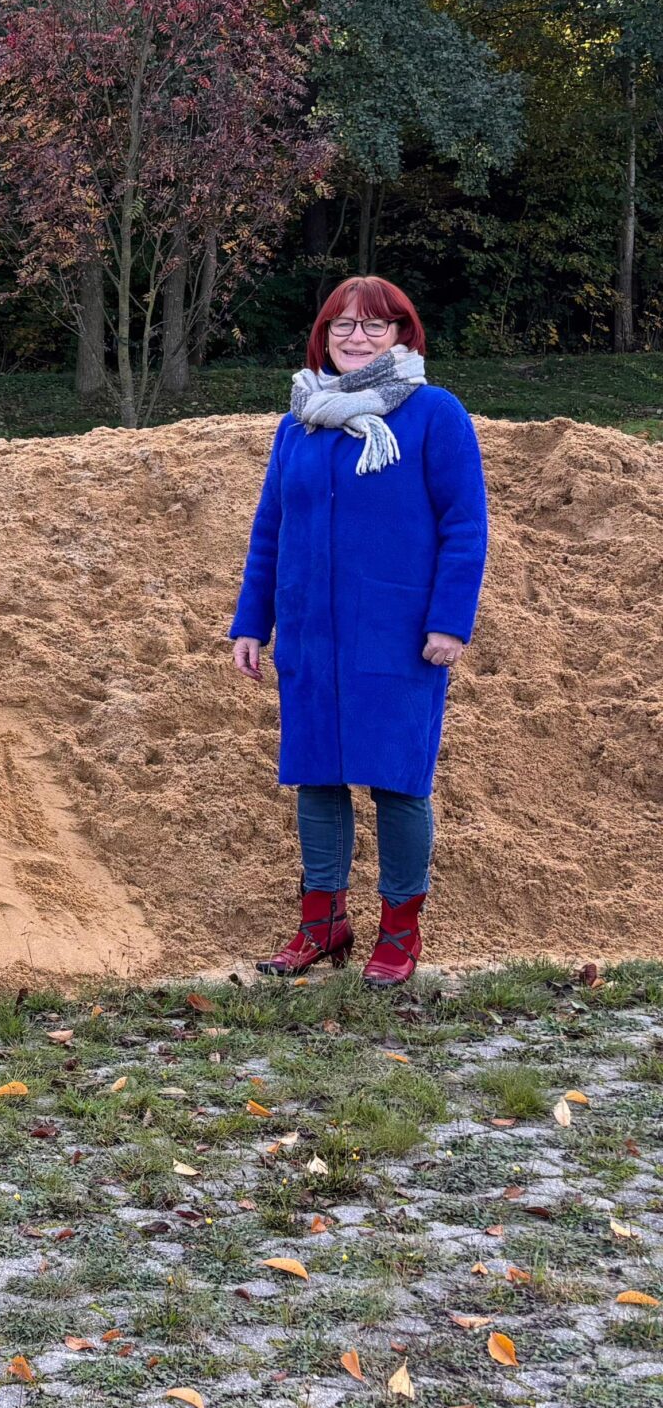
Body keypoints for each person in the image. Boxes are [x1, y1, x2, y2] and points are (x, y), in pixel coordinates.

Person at [229, 275, 488, 988]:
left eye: (375, 325)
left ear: (403, 334)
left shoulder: (434, 414)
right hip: (312, 631)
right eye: (343, 324)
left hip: (398, 633)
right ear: (323, 333)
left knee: (398, 781)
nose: (356, 336)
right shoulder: (300, 422)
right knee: (316, 776)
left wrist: (449, 622)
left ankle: (400, 934)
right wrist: (253, 622)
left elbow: (465, 524)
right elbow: (270, 529)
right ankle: (323, 925)